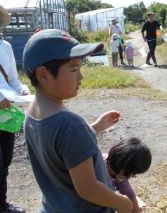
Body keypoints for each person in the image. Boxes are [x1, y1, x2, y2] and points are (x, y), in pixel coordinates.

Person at [22, 29, 133, 213]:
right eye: (74, 69)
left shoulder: (32, 113)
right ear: (43, 74)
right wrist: (123, 203)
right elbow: (89, 189)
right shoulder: (71, 125)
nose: (81, 76)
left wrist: (95, 128)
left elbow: (59, 148)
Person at [0, 5, 29, 213]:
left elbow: (12, 78)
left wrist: (21, 90)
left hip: (7, 112)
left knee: (6, 161)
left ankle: (2, 204)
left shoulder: (5, 46)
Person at [103, 137, 152, 213]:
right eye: (133, 173)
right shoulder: (97, 168)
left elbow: (129, 193)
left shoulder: (118, 172)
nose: (133, 176)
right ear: (125, 167)